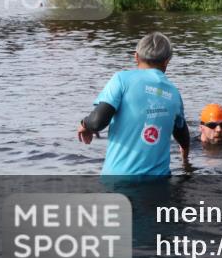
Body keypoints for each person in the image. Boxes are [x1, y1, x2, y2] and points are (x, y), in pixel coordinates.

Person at [77, 33, 190, 176]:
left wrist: (84, 124)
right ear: (167, 61)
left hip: (119, 180)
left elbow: (97, 122)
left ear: (136, 56)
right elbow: (183, 136)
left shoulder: (121, 80)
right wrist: (185, 161)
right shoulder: (174, 93)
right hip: (159, 183)